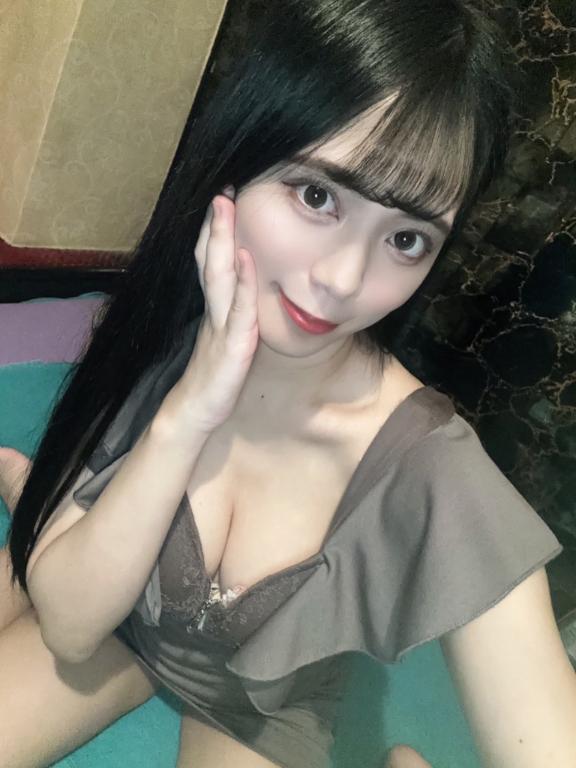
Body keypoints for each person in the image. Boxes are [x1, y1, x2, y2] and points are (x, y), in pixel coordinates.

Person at [0, 1, 575, 767]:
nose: (343, 279)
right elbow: (73, 628)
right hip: (119, 620)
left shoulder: (431, 467)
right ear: (240, 157)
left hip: (255, 713)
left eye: (407, 238)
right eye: (318, 196)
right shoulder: (177, 323)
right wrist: (189, 411)